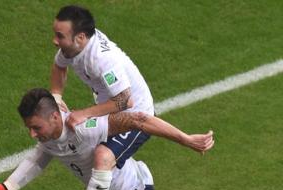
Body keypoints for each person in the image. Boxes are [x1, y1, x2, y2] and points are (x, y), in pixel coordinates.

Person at [0, 88, 214, 190]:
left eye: (36, 127)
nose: (32, 134)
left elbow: (140, 120)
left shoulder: (85, 127)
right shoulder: (49, 137)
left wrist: (186, 139)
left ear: (55, 117)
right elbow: (39, 157)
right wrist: (6, 189)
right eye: (29, 128)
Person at [49, 5, 214, 176]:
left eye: (60, 36)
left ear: (81, 37)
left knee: (102, 157)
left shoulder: (102, 59)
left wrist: (85, 113)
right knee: (76, 146)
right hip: (109, 109)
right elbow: (59, 66)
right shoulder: (72, 46)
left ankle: (138, 182)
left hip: (136, 113)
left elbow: (125, 100)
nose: (54, 41)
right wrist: (56, 97)